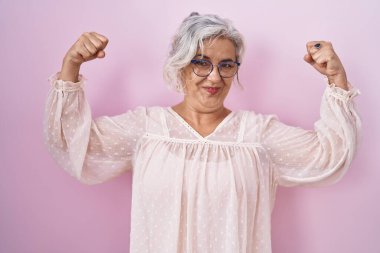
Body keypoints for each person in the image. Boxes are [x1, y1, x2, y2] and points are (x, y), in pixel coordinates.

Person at [44, 12, 360, 253]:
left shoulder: (256, 135)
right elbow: (74, 146)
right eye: (201, 62)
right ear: (180, 65)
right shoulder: (148, 129)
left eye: (226, 65)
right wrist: (71, 64)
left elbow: (330, 156)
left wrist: (336, 77)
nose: (214, 77)